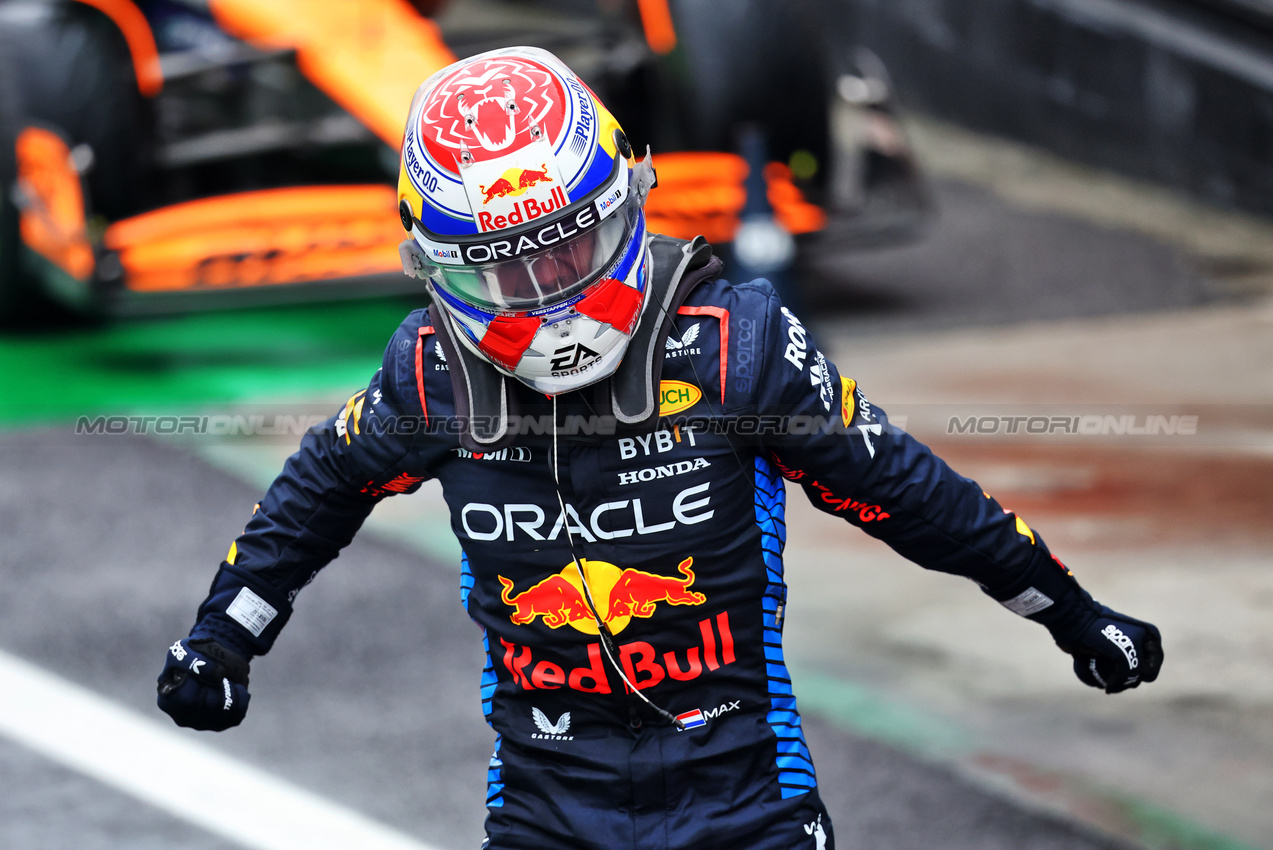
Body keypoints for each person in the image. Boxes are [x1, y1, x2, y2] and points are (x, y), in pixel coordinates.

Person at [156, 46, 1163, 850]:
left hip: (746, 802)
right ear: (442, 271)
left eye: (565, 249)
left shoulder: (736, 347)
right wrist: (223, 636)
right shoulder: (429, 375)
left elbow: (904, 490)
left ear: (622, 207)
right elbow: (313, 496)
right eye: (506, 273)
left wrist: (1065, 610)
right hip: (546, 806)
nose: (546, 294)